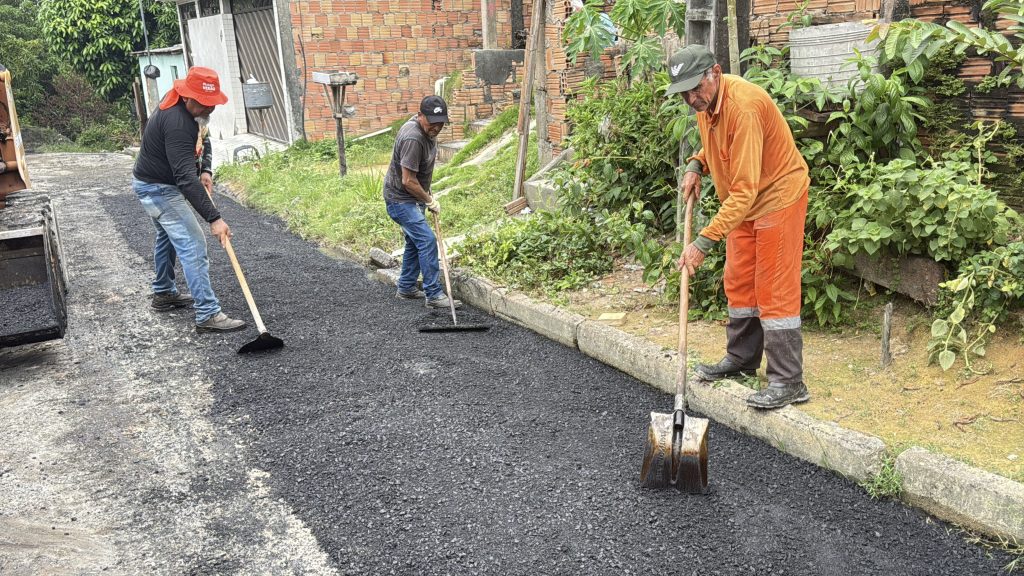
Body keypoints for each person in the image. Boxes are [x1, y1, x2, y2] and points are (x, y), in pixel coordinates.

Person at [667, 45, 810, 409]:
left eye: (695, 88)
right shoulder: (707, 104)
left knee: (773, 288)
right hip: (743, 203)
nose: (691, 98)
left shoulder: (742, 107)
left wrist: (702, 242)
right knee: (740, 279)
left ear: (715, 72)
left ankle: (789, 381)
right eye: (683, 92)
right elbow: (717, 144)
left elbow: (746, 189)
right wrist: (696, 165)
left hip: (776, 196)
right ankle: (743, 359)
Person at [132, 66, 246, 333]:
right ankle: (207, 313)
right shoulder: (177, 121)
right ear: (188, 97)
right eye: (205, 104)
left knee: (168, 237)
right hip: (158, 188)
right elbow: (184, 178)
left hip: (155, 182)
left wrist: (205, 169)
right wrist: (214, 219)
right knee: (193, 243)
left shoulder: (192, 111)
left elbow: (203, 139)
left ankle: (163, 292)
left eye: (212, 103)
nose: (210, 109)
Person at [383, 95, 462, 309]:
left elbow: (419, 172)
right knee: (427, 240)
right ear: (420, 116)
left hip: (413, 196)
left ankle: (407, 287)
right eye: (431, 123)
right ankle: (434, 294)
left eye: (440, 123)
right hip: (400, 199)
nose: (436, 127)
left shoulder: (428, 130)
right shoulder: (413, 138)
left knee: (414, 241)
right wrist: (429, 200)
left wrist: (426, 192)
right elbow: (408, 180)